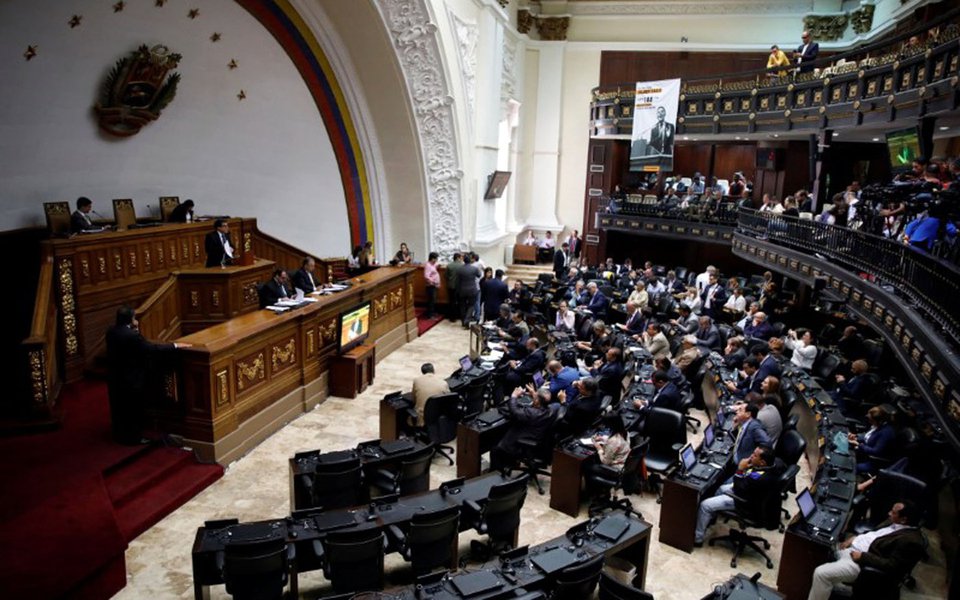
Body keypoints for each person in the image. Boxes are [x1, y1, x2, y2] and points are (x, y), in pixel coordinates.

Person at [807, 501, 925, 600]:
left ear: (904, 520)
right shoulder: (894, 521)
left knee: (821, 573)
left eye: (893, 513)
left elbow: (892, 565)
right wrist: (855, 538)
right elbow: (874, 533)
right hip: (851, 548)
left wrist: (863, 557)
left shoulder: (911, 541)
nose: (889, 513)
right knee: (816, 544)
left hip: (859, 562)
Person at [105, 306, 190, 444]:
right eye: (134, 318)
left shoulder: (111, 331)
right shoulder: (132, 336)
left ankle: (119, 434)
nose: (136, 321)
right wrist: (174, 346)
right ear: (130, 320)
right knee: (132, 409)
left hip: (115, 377)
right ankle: (132, 438)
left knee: (118, 407)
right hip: (131, 379)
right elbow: (151, 349)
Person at [694, 446, 783, 545]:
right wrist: (749, 466)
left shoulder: (761, 478)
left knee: (705, 505)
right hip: (752, 493)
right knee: (721, 488)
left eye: (755, 455)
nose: (751, 456)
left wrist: (740, 469)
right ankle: (711, 518)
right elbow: (748, 481)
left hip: (746, 503)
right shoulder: (773, 466)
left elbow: (739, 488)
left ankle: (697, 538)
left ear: (762, 462)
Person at [491, 385, 558, 471]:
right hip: (538, 438)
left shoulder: (532, 413)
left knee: (495, 450)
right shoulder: (553, 408)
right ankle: (510, 462)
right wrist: (534, 395)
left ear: (537, 401)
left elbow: (515, 412)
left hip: (524, 440)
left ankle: (496, 474)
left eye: (536, 398)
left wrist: (514, 396)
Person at [849, 406, 896, 474]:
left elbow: (875, 451)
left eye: (870, 420)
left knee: (850, 466)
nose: (869, 421)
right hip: (864, 453)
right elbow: (868, 436)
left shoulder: (886, 433)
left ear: (879, 421)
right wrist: (856, 436)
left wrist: (859, 444)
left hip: (873, 461)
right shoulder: (878, 425)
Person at [457, 254, 482, 327]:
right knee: (471, 305)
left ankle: (463, 321)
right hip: (472, 289)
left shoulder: (460, 269)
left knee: (462, 306)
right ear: (470, 260)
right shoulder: (474, 268)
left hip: (462, 289)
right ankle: (467, 320)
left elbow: (458, 279)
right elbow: (479, 275)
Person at [445, 253, 463, 321]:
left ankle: (452, 318)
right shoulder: (461, 265)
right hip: (459, 286)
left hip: (451, 285)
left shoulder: (449, 265)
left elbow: (446, 275)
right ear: (458, 258)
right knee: (460, 301)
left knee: (452, 301)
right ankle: (459, 316)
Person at [423, 252, 441, 319]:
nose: (436, 260)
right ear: (432, 258)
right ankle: (430, 315)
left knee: (433, 300)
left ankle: (432, 313)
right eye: (436, 259)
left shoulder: (433, 264)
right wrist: (433, 282)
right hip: (430, 286)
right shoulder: (428, 265)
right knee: (431, 300)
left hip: (434, 285)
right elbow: (426, 276)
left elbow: (436, 265)